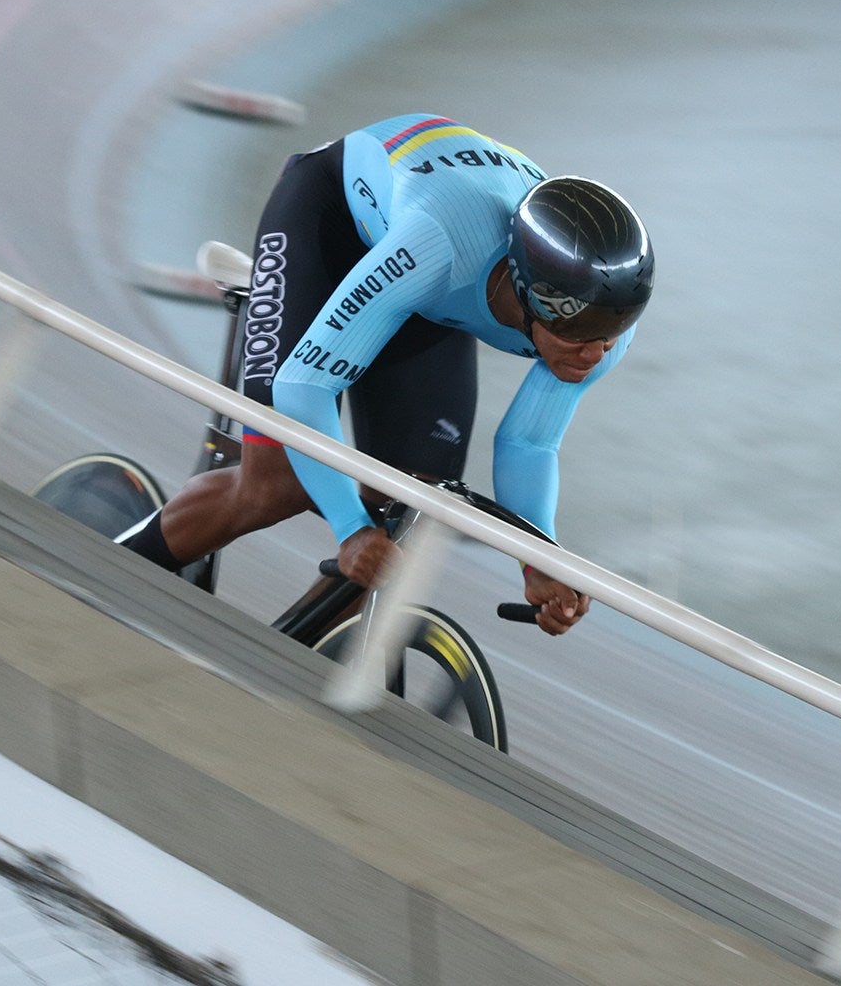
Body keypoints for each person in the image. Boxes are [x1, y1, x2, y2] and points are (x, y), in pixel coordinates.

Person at [120, 113, 654, 635]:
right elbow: (302, 387)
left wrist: (539, 561)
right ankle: (111, 566)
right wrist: (349, 528)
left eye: (609, 333)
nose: (593, 353)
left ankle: (292, 661)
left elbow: (529, 444)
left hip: (426, 282)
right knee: (275, 481)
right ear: (525, 290)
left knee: (412, 504)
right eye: (577, 332)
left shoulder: (601, 316)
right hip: (334, 217)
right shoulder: (440, 246)